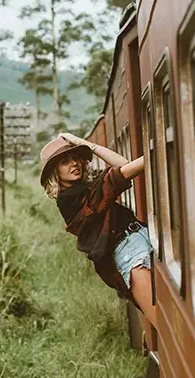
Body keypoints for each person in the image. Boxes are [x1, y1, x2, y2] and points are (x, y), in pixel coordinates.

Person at [39, 132, 155, 324]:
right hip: (129, 253)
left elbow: (123, 164)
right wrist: (155, 153)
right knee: (163, 321)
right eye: (65, 162)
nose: (74, 163)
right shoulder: (68, 199)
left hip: (143, 234)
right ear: (55, 172)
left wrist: (87, 145)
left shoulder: (89, 186)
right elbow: (122, 173)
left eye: (76, 157)